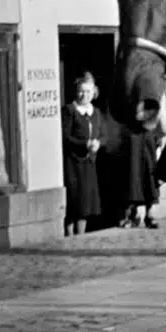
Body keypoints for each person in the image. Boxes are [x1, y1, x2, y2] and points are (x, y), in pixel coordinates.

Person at [62, 73, 104, 236]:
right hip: (73, 162)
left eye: (87, 92)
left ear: (94, 93)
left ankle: (81, 236)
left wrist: (98, 143)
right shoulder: (70, 110)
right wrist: (84, 144)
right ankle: (69, 235)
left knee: (85, 202)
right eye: (81, 91)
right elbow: (65, 136)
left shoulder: (96, 112)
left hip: (89, 163)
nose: (83, 95)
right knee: (73, 199)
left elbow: (103, 134)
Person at [121, 106, 165, 229]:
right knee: (133, 171)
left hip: (151, 127)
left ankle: (149, 214)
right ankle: (133, 214)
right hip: (132, 127)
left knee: (150, 172)